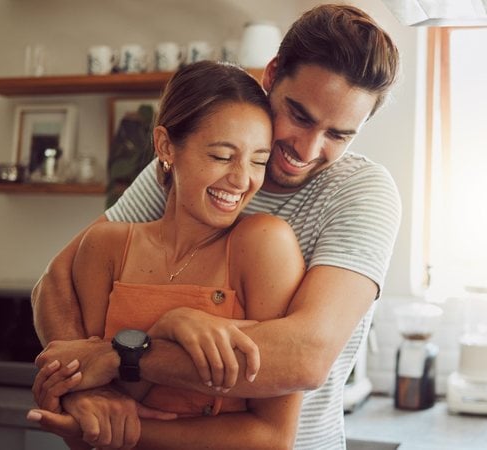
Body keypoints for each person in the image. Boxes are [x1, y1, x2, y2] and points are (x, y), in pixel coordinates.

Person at [31, 4, 401, 449]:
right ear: (272, 74)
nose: (307, 148)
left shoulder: (362, 192)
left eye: (339, 135)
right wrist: (89, 392)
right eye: (300, 116)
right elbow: (55, 282)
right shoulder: (185, 172)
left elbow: (305, 356)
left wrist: (120, 356)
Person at [30, 60, 306, 449]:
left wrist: (128, 422)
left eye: (258, 161)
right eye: (222, 156)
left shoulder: (262, 245)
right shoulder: (105, 247)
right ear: (165, 146)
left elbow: (273, 437)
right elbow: (93, 417)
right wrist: (160, 333)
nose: (243, 179)